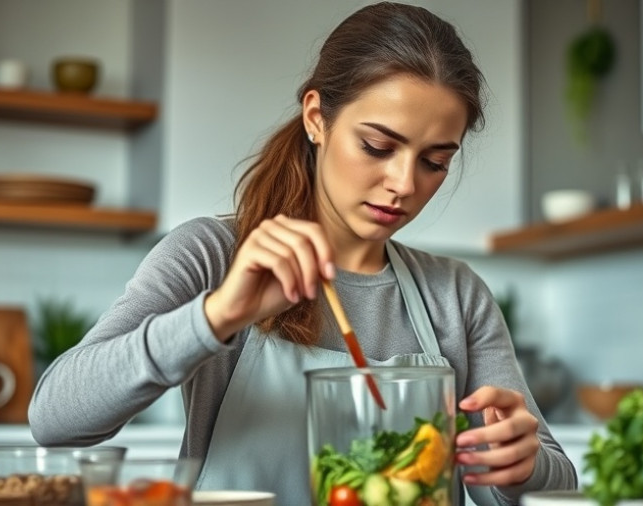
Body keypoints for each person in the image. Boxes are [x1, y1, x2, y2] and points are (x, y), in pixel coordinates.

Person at [29, 2, 577, 504]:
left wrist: (521, 465)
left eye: (435, 161)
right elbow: (54, 419)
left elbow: (554, 480)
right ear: (317, 117)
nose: (403, 183)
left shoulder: (454, 295)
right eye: (377, 147)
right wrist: (217, 316)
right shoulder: (212, 254)